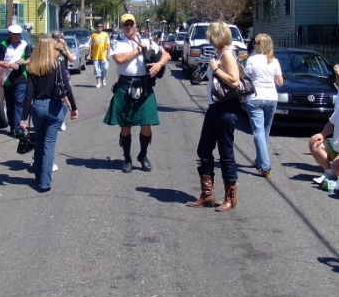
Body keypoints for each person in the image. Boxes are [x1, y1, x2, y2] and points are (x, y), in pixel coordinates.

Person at [186, 21, 244, 211]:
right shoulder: (220, 54)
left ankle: (230, 197)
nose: (208, 38)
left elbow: (234, 81)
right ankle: (207, 194)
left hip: (226, 109)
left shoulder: (227, 53)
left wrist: (216, 69)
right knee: (204, 150)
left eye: (211, 35)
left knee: (226, 153)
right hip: (215, 108)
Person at [104, 13, 170, 173]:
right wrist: (138, 50)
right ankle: (127, 158)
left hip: (144, 86)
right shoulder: (117, 42)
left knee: (146, 124)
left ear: (135, 25)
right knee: (125, 125)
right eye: (125, 25)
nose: (129, 27)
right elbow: (119, 59)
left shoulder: (147, 41)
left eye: (131, 24)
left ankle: (143, 155)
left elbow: (167, 54)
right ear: (121, 26)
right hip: (125, 86)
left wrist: (159, 64)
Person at [20, 36, 78, 192]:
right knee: (49, 144)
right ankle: (45, 182)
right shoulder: (57, 65)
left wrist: (24, 117)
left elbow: (28, 95)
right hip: (55, 107)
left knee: (39, 141)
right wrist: (73, 107)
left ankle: (38, 176)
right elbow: (66, 88)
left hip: (38, 107)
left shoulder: (32, 67)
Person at [244, 33, 283, 177]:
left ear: (261, 45)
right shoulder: (274, 61)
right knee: (264, 132)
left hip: (255, 97)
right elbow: (280, 82)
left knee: (258, 132)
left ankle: (265, 165)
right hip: (272, 98)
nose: (253, 44)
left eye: (256, 42)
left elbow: (245, 78)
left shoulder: (252, 60)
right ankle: (260, 159)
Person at [0, 24, 28, 137]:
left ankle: (18, 128)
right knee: (10, 104)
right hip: (8, 79)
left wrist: (24, 62)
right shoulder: (3, 45)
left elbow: (30, 58)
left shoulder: (25, 45)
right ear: (10, 34)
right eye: (14, 34)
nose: (16, 36)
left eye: (18, 34)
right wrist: (9, 65)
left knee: (19, 102)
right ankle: (12, 126)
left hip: (21, 77)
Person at [88, 22, 111, 88]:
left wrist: (108, 54)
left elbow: (108, 44)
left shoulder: (105, 34)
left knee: (105, 68)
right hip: (95, 55)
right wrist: (89, 55)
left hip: (104, 55)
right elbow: (90, 45)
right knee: (97, 70)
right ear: (96, 27)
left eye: (101, 26)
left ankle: (103, 78)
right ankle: (98, 83)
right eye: (99, 26)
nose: (100, 27)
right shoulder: (93, 35)